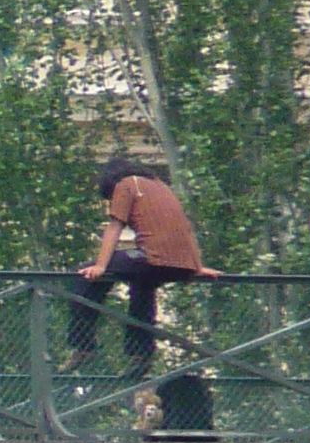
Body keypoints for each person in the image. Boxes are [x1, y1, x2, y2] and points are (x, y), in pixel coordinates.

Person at [71, 156, 214, 373]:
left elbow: (114, 227)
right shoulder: (160, 186)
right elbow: (182, 226)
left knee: (85, 273)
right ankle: (140, 354)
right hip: (179, 263)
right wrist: (196, 265)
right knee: (142, 288)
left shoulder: (126, 184)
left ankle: (82, 345)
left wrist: (100, 266)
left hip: (151, 257)